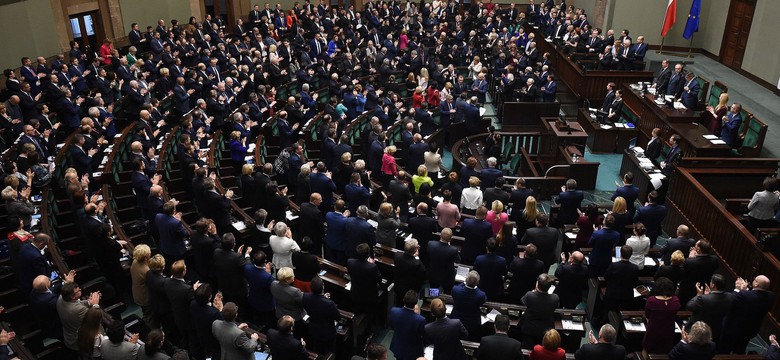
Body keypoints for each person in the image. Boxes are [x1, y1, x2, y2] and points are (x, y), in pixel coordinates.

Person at [720, 275, 775, 354]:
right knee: (740, 350)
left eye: (755, 280)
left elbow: (730, 301)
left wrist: (737, 289)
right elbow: (753, 298)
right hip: (750, 330)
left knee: (724, 350)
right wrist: (746, 290)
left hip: (732, 329)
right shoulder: (770, 296)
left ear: (756, 284)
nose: (753, 280)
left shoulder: (743, 295)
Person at [685, 274, 733, 343]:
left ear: (712, 285)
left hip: (699, 330)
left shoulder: (703, 299)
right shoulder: (730, 296)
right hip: (716, 330)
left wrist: (699, 295)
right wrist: (709, 295)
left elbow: (689, 307)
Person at [57, 282, 102, 351]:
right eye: (78, 291)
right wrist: (95, 304)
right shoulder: (78, 310)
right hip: (79, 340)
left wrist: (89, 302)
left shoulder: (61, 298)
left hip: (68, 334)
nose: (80, 290)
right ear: (72, 296)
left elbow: (77, 303)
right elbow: (95, 317)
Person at [164, 260, 198, 351]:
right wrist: (194, 290)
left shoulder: (167, 282)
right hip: (188, 319)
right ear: (183, 272)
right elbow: (193, 303)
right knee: (192, 341)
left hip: (176, 315)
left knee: (183, 338)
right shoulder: (187, 289)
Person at [643, 277, 682, 355]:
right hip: (669, 329)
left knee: (647, 348)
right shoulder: (675, 300)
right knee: (665, 350)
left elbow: (647, 315)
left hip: (653, 329)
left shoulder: (652, 300)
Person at [211, 233, 249, 312]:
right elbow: (247, 268)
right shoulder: (237, 257)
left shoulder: (216, 252)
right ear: (234, 244)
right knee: (241, 307)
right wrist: (246, 256)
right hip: (238, 288)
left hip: (224, 285)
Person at [521, 274, 560, 349]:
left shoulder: (530, 295)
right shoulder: (555, 298)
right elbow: (556, 306)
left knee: (527, 348)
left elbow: (523, 301)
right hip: (546, 331)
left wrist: (534, 292)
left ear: (537, 284)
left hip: (530, 329)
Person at [303, 277, 340, 354]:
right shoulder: (330, 304)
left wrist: (323, 298)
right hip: (327, 332)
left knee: (317, 348)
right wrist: (324, 299)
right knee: (330, 351)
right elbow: (338, 317)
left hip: (313, 328)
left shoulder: (305, 296)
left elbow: (316, 301)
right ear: (323, 287)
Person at [678, 240, 720, 305]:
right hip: (704, 288)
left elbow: (681, 272)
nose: (694, 246)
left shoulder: (689, 262)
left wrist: (690, 258)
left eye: (696, 245)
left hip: (688, 289)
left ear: (698, 249)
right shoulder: (715, 259)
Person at [389, 290, 426, 360]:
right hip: (412, 351)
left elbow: (392, 326)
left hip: (398, 346)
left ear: (403, 300)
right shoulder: (420, 319)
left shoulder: (393, 311)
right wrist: (417, 315)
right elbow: (421, 334)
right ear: (416, 303)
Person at [451, 271, 487, 341]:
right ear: (478, 283)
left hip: (456, 318)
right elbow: (483, 299)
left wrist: (465, 283)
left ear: (465, 280)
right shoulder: (481, 295)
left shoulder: (456, 290)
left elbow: (459, 287)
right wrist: (475, 286)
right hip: (472, 322)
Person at [393, 239, 426, 306]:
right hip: (410, 290)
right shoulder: (416, 263)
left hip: (398, 285)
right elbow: (423, 271)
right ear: (415, 250)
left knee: (398, 302)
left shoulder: (397, 255)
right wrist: (417, 257)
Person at [427, 228, 461, 293]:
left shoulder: (431, 244)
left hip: (433, 273)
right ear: (451, 239)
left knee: (433, 292)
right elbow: (458, 261)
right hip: (447, 277)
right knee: (447, 292)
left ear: (440, 236)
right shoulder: (453, 250)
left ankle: (433, 302)